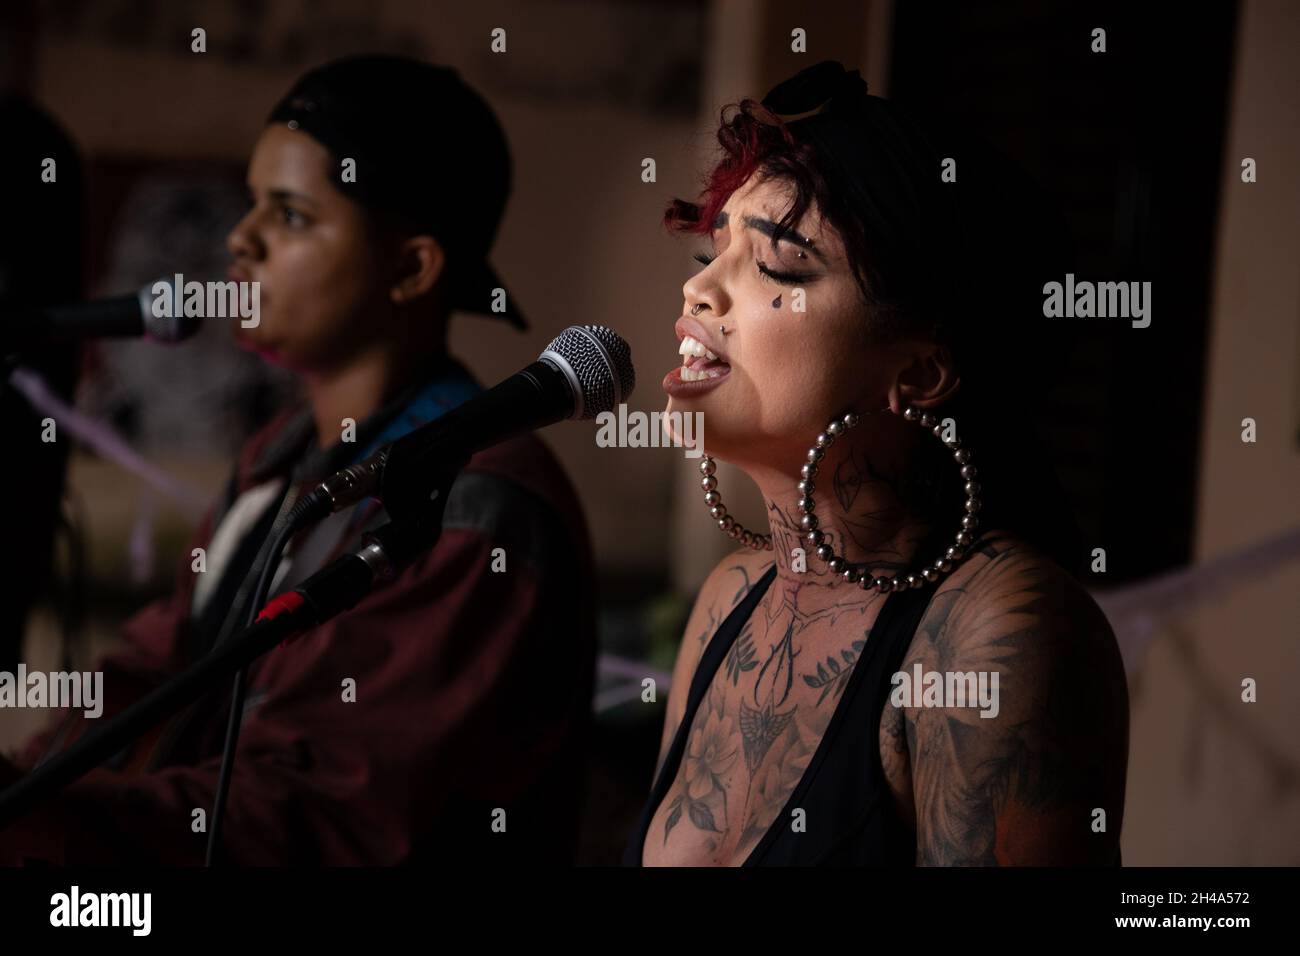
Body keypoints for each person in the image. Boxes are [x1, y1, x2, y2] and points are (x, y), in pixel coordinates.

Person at [0, 55, 597, 865]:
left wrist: (55, 824)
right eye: (252, 204)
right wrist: (26, 781)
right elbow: (154, 668)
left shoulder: (479, 508)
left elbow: (320, 814)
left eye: (289, 214)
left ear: (411, 266)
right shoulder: (279, 458)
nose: (239, 240)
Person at [624, 61, 1128, 866]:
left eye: (778, 267)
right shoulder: (729, 601)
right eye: (709, 258)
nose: (700, 295)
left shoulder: (995, 633)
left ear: (920, 373)